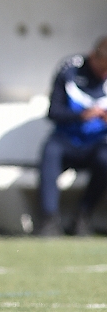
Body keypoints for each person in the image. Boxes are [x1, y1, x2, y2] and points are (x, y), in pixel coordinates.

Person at [36, 37, 107, 237]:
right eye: (102, 69)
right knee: (50, 151)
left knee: (105, 159)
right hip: (67, 140)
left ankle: (82, 216)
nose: (104, 74)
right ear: (93, 57)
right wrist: (81, 116)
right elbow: (53, 112)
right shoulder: (70, 70)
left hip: (97, 143)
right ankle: (49, 219)